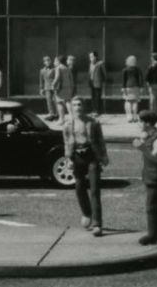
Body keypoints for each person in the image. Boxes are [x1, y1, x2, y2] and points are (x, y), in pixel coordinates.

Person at [63, 96, 107, 236]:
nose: (77, 107)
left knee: (95, 190)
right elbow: (67, 141)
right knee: (79, 187)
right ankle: (86, 212)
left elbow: (100, 140)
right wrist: (68, 159)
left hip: (92, 156)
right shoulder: (68, 123)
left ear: (84, 106)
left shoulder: (93, 122)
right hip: (77, 156)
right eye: (74, 105)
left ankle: (97, 224)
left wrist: (104, 156)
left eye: (79, 104)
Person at [135, 108, 157, 246]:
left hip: (155, 176)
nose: (138, 124)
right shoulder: (149, 135)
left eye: (140, 121)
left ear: (147, 123)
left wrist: (142, 148)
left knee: (151, 207)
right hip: (150, 175)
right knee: (156, 206)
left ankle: (152, 235)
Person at [122, 53, 144, 121]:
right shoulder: (138, 69)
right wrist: (141, 87)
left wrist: (123, 88)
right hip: (136, 86)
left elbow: (124, 80)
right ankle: (135, 116)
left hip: (128, 87)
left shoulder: (125, 70)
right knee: (135, 102)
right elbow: (141, 78)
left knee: (128, 101)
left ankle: (129, 116)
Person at [88, 51, 105, 115]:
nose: (90, 58)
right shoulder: (90, 64)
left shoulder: (100, 63)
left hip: (98, 82)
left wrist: (102, 80)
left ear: (96, 57)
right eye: (90, 57)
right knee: (93, 97)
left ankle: (98, 111)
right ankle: (93, 110)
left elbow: (104, 73)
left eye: (92, 56)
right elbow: (89, 73)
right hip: (91, 82)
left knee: (98, 97)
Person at [39, 55, 56, 120]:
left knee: (55, 101)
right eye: (46, 61)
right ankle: (51, 114)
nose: (47, 62)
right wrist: (41, 88)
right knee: (49, 101)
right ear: (44, 62)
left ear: (51, 61)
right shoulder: (42, 70)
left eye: (49, 60)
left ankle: (56, 114)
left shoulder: (54, 69)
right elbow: (41, 80)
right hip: (47, 87)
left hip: (54, 87)